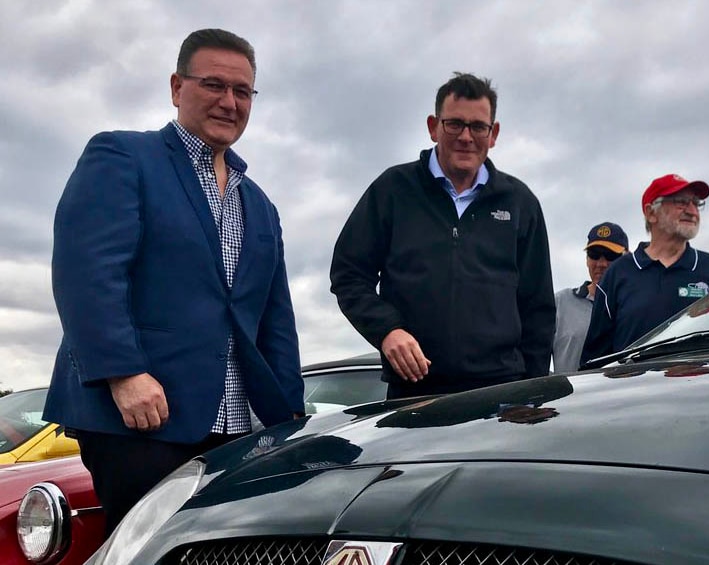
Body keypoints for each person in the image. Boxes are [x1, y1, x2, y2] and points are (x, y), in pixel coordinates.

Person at [44, 28, 303, 535]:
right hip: (142, 421)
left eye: (243, 91)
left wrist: (290, 413)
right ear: (176, 87)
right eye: (212, 84)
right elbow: (87, 273)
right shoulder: (122, 157)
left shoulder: (261, 206)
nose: (229, 102)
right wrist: (123, 374)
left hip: (236, 432)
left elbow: (275, 318)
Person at [330, 72, 555, 399]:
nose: (466, 136)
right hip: (414, 394)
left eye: (478, 127)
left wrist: (531, 393)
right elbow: (348, 274)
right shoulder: (393, 190)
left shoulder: (520, 203)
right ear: (433, 126)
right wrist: (387, 330)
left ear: (493, 134)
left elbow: (539, 309)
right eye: (454, 124)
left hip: (502, 396)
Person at [580, 174, 709, 367]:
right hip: (636, 394)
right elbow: (595, 360)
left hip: (703, 393)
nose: (692, 210)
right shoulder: (617, 274)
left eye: (696, 203)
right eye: (681, 202)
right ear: (651, 213)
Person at [552, 222, 629, 373]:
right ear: (587, 259)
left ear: (627, 258)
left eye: (610, 256)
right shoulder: (560, 303)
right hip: (573, 395)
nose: (601, 263)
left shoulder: (635, 306)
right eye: (594, 255)